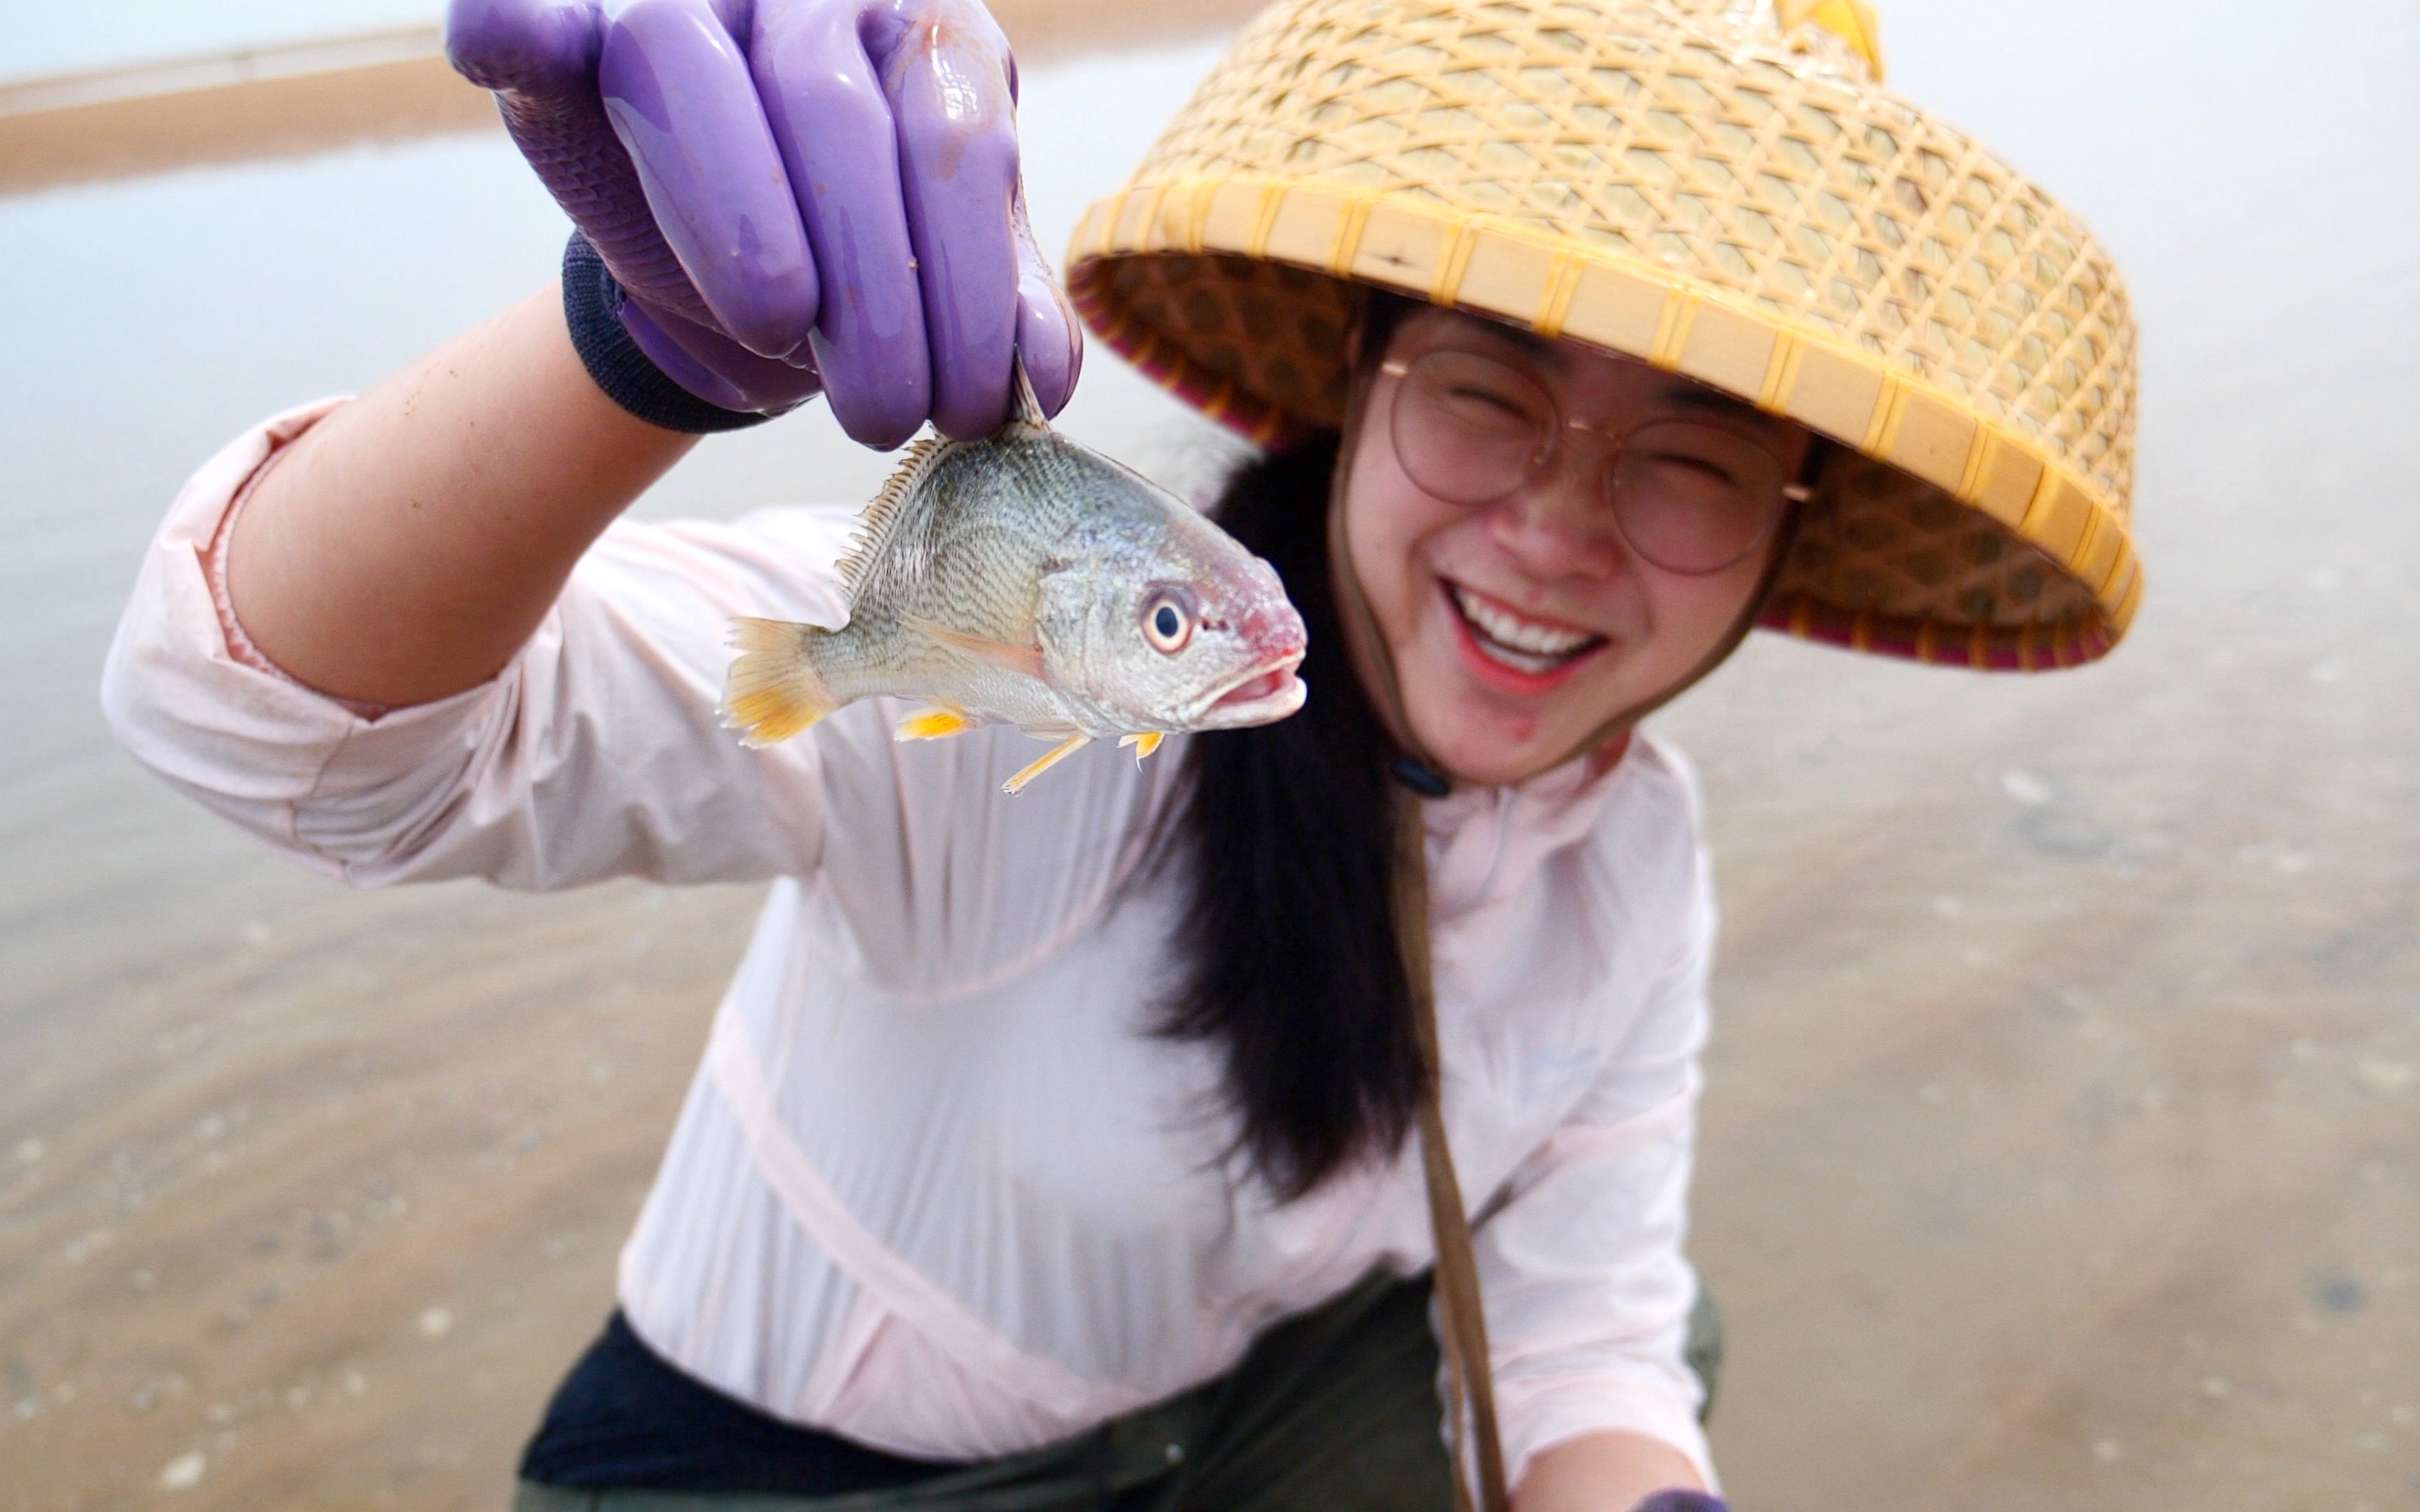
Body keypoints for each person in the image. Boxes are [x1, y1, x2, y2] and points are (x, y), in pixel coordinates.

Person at [101, 0, 2140, 1506]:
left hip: (1212, 1433)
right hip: (788, 1469)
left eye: (1694, 464)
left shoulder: (1640, 848)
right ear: (1352, 388)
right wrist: (637, 347)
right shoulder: (1056, 670)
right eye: (1489, 394)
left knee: (1667, 1342)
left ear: (1785, 536)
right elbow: (272, 726)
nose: (1555, 530)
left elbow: (1584, 1318)